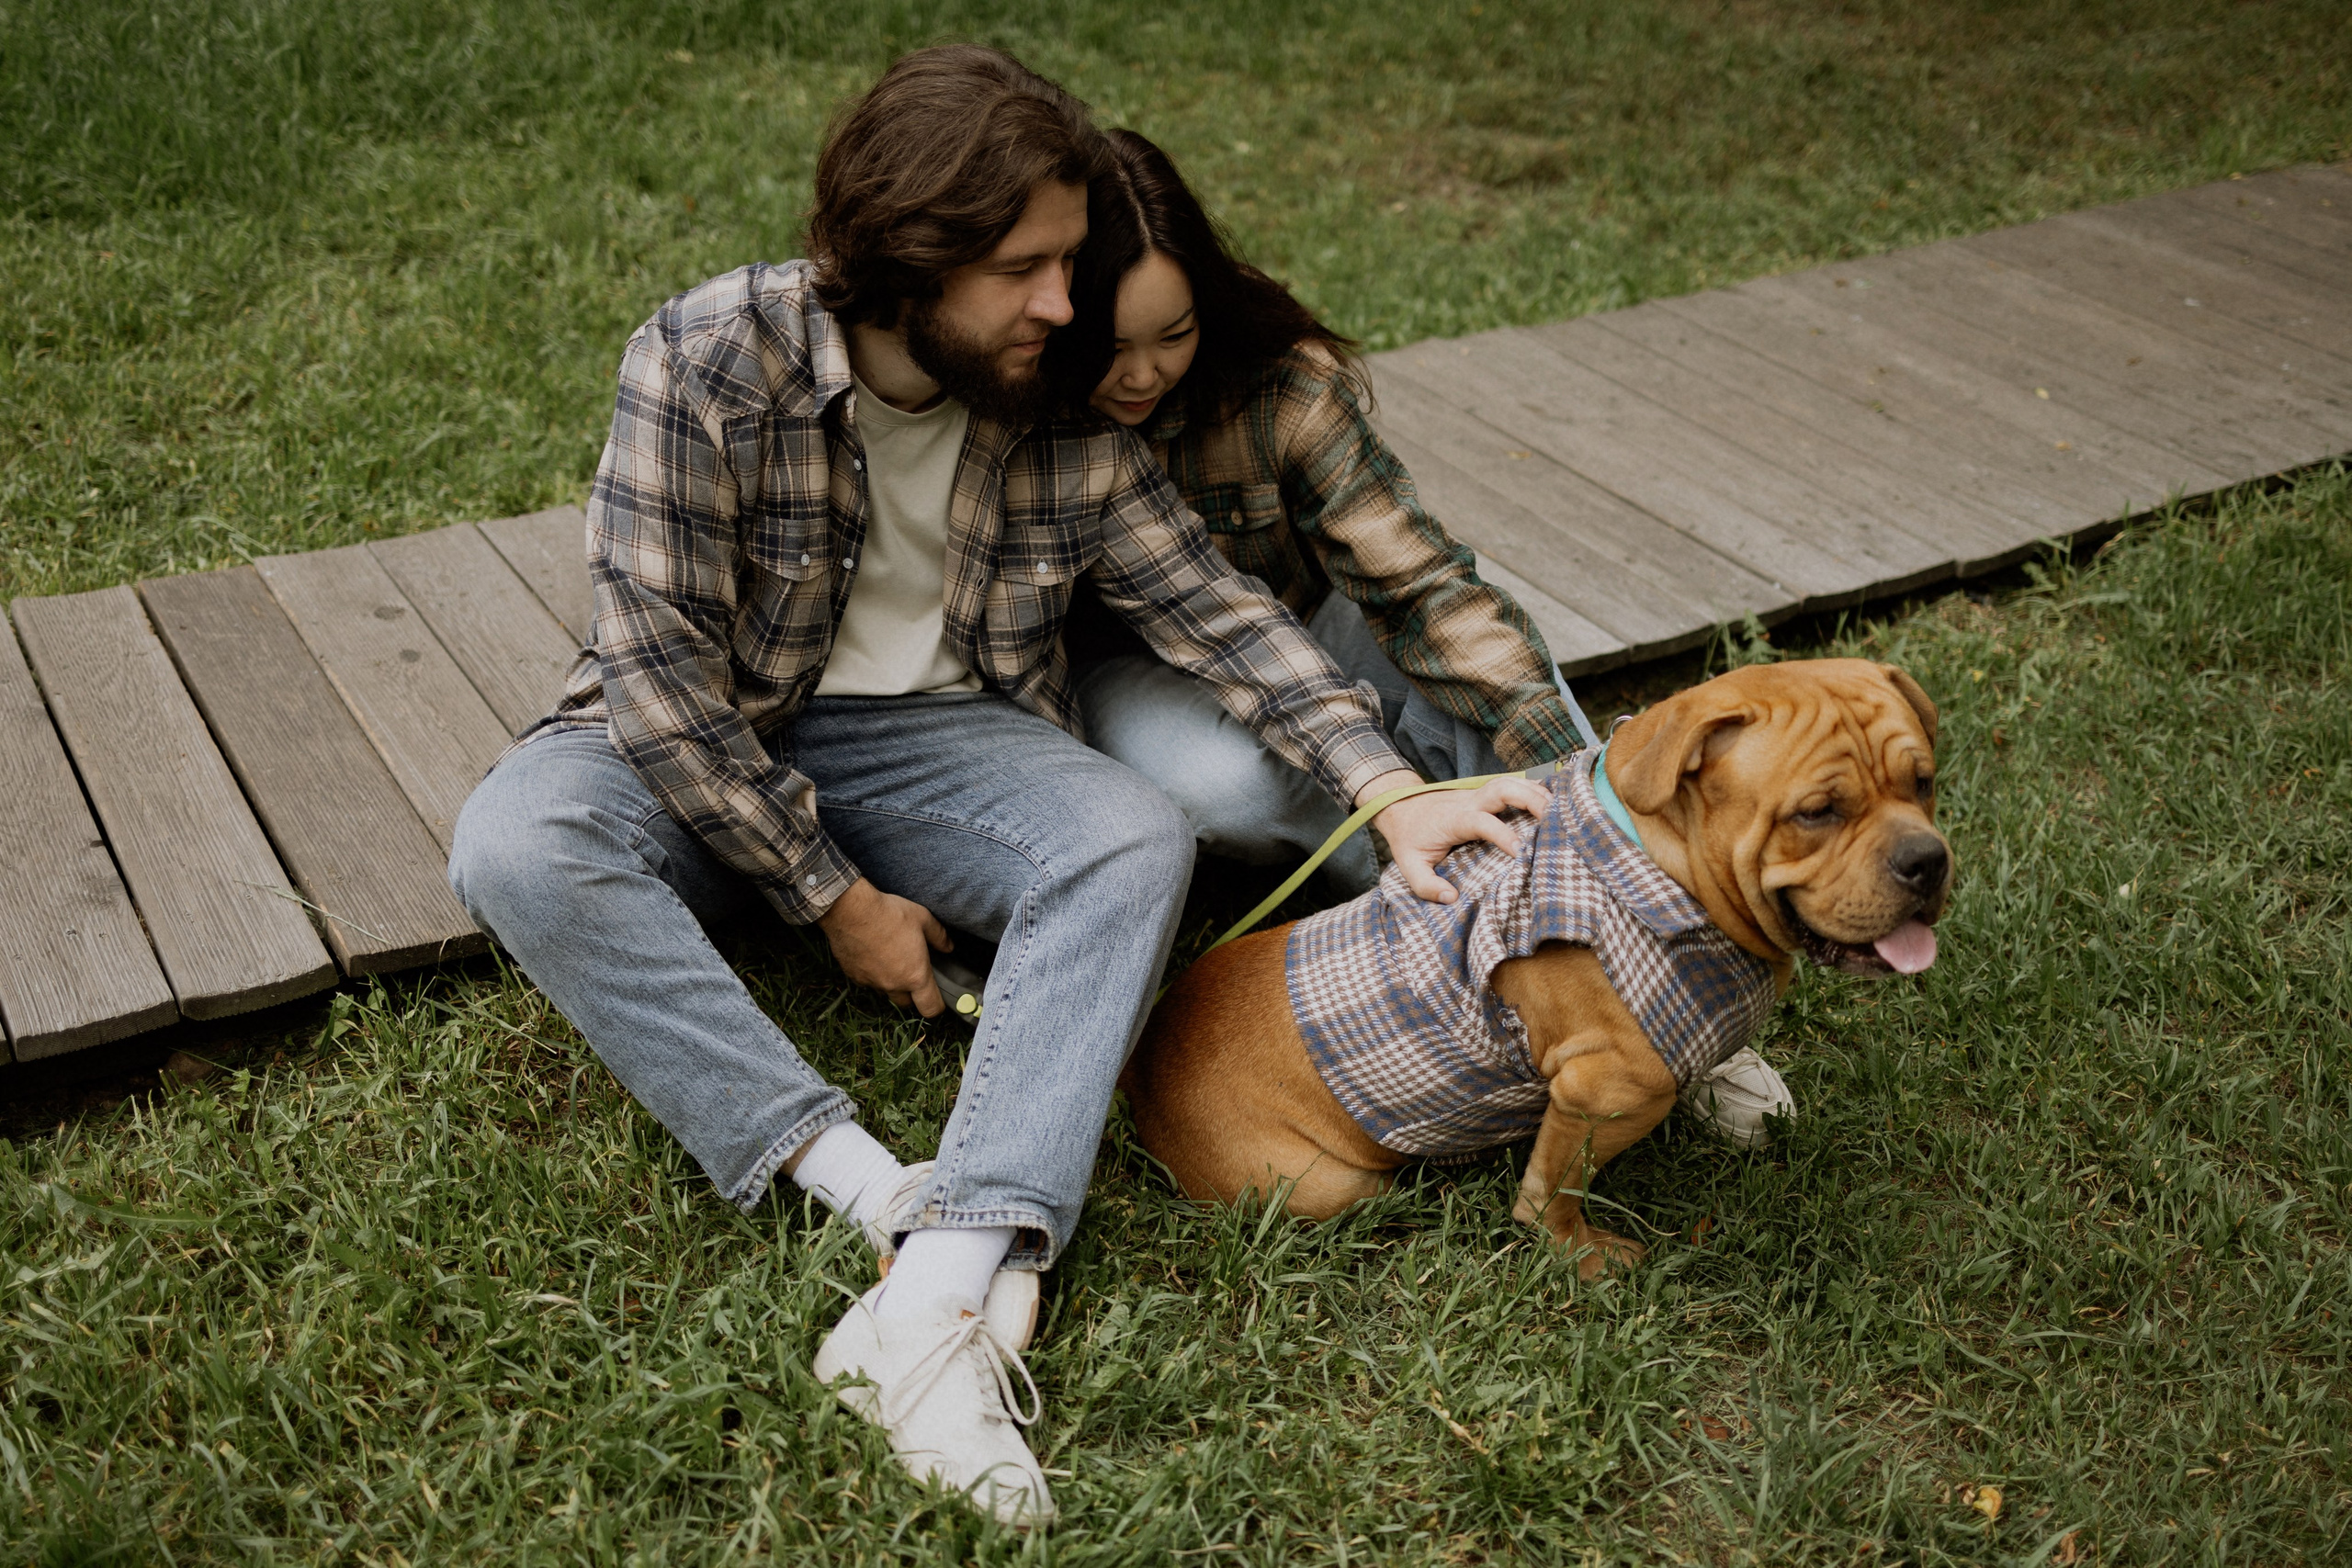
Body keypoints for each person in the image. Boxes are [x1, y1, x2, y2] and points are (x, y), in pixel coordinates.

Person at [446, 47, 1548, 1529]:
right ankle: (870, 1188)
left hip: (932, 739)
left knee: (1128, 836)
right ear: (910, 260)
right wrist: (832, 898)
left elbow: (1223, 617)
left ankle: (937, 1293)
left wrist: (1383, 789)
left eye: (1068, 262)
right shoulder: (706, 357)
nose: (1062, 307)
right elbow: (653, 683)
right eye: (1025, 269)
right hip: (715, 720)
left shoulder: (1059, 413)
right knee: (515, 840)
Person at [1054, 129, 1796, 1145]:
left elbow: (1418, 586)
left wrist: (1578, 781)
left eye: (1172, 335)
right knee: (1238, 780)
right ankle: (1473, 950)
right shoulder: (1023, 409)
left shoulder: (1281, 386)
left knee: (1468, 655)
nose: (1141, 374)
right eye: (1108, 346)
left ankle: (1644, 948)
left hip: (1296, 622)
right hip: (1114, 674)